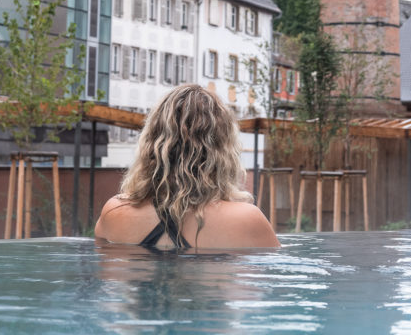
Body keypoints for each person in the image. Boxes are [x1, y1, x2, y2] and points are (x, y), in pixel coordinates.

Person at [95, 84, 280, 251]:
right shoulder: (247, 220)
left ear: (151, 142)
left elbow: (110, 281)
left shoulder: (114, 212)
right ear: (223, 149)